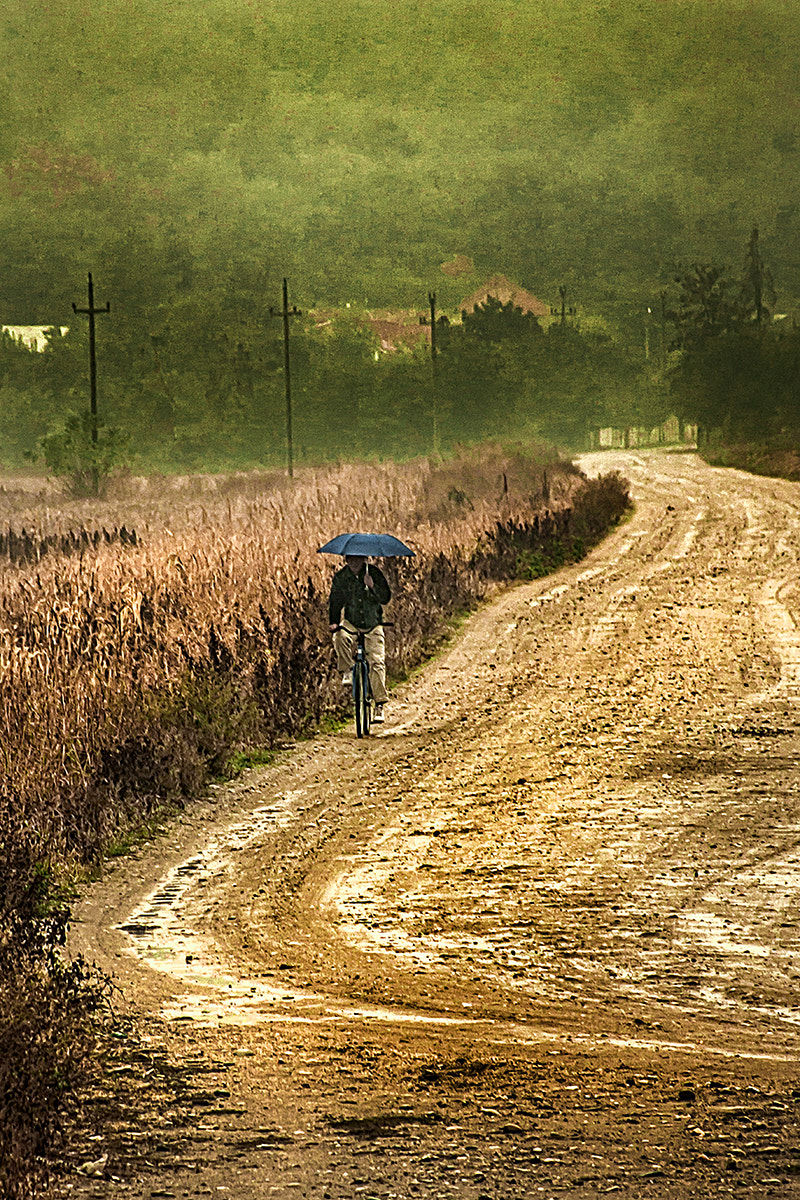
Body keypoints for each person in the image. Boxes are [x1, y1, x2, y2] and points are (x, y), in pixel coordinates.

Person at [328, 554, 391, 723]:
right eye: (350, 559)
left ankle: (379, 704)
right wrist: (334, 622)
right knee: (340, 637)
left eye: (357, 559)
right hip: (352, 622)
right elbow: (335, 601)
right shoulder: (342, 578)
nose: (354, 563)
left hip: (373, 623)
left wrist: (372, 587)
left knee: (377, 662)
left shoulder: (374, 574)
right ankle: (348, 669)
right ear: (346, 560)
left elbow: (386, 597)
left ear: (364, 559)